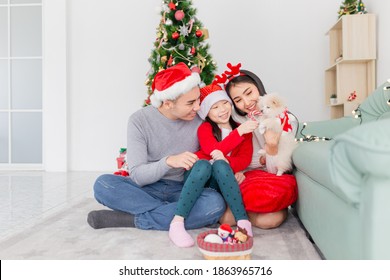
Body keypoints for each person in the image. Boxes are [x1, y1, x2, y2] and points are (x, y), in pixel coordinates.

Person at [87, 62, 226, 232]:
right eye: (190, 103)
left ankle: (132, 219)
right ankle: (175, 213)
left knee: (214, 203)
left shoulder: (201, 120)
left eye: (198, 99)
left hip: (183, 190)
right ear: (168, 103)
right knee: (103, 184)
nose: (198, 107)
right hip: (145, 188)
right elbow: (137, 175)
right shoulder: (139, 120)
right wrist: (168, 162)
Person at [168, 84, 256, 247]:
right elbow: (212, 151)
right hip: (200, 176)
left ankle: (243, 222)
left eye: (224, 103)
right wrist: (238, 133)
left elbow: (244, 159)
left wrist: (230, 166)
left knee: (221, 165)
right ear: (206, 112)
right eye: (215, 107)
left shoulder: (243, 130)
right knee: (203, 164)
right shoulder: (206, 128)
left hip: (220, 179)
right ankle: (177, 222)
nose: (222, 109)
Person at [220, 63, 298, 229]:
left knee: (267, 221)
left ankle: (258, 211)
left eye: (249, 93)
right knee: (226, 220)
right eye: (238, 100)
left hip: (273, 175)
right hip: (247, 177)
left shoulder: (284, 120)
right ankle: (248, 212)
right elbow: (234, 156)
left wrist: (271, 147)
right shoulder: (236, 122)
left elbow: (277, 166)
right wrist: (238, 171)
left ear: (259, 87)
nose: (247, 102)